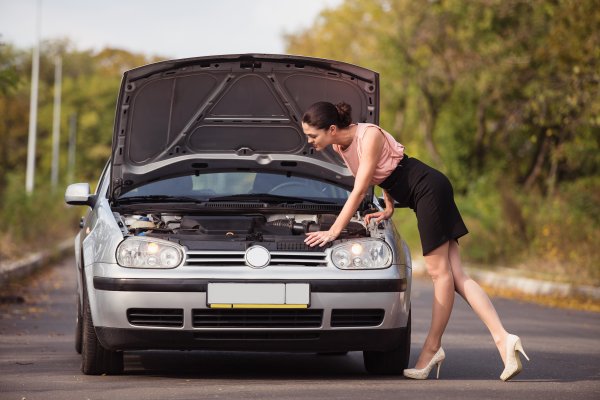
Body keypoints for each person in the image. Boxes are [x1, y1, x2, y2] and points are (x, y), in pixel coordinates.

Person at [301, 101, 529, 381]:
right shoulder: (339, 146)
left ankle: (433, 348)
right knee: (456, 275)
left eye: (313, 136)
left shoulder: (368, 135)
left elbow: (360, 189)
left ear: (332, 129)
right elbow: (377, 173)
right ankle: (504, 339)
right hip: (420, 193)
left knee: (439, 274)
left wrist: (334, 231)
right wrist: (389, 206)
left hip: (428, 189)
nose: (310, 142)